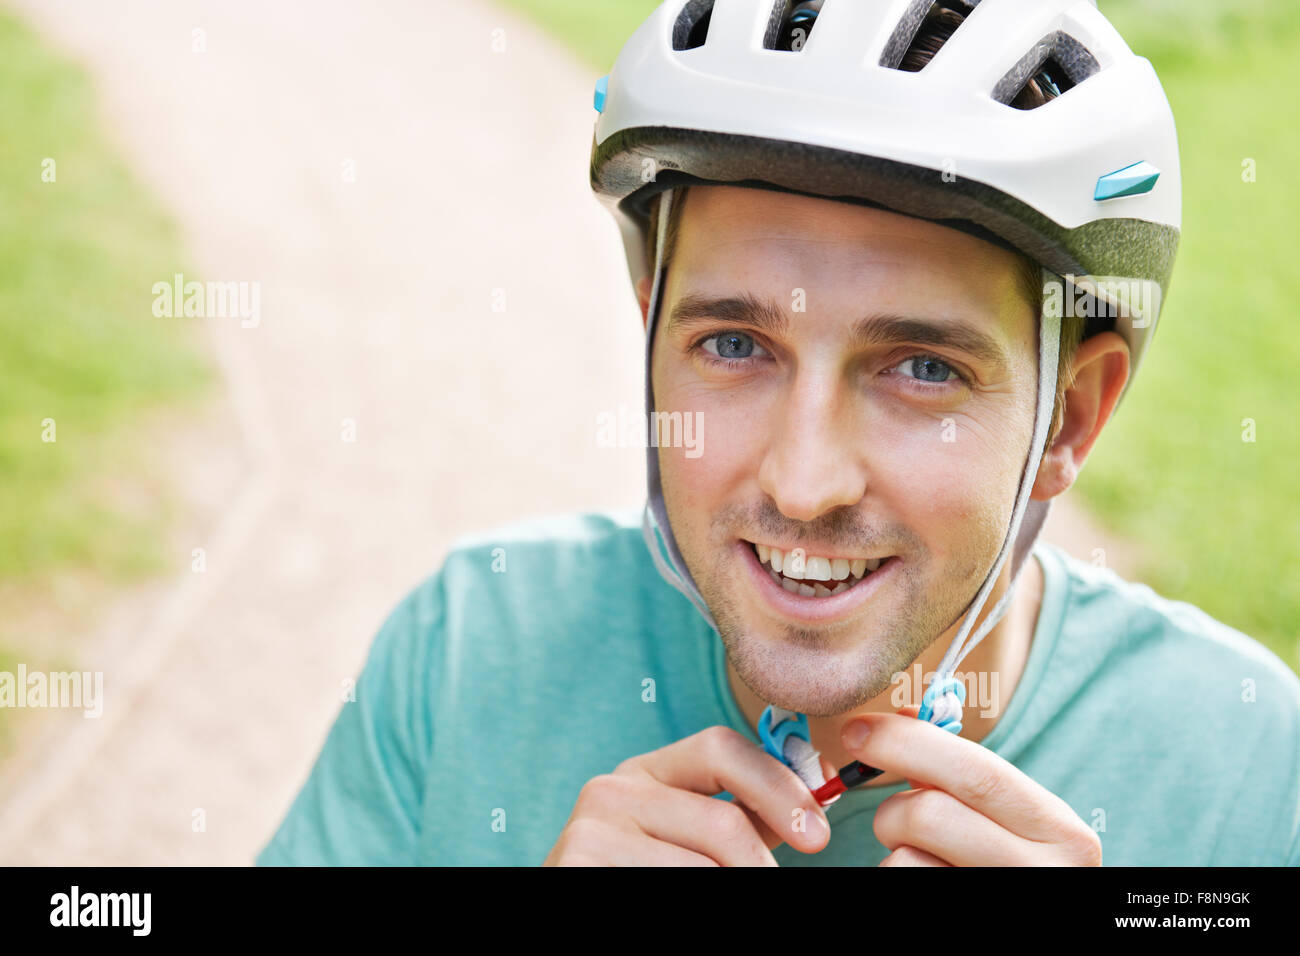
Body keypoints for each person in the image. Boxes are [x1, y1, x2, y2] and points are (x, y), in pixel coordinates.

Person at [256, 0, 1300, 866]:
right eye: (734, 345)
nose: (803, 484)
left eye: (922, 369)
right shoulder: (466, 652)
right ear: (649, 330)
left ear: (1069, 416)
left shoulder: (1253, 775)